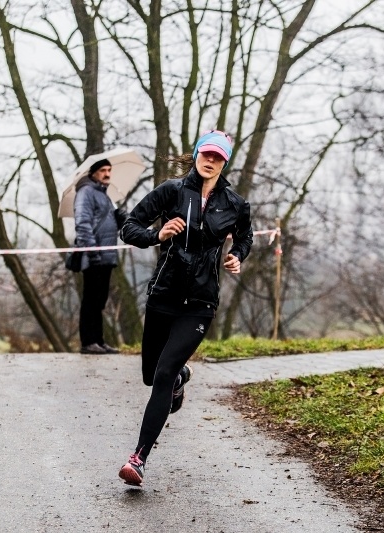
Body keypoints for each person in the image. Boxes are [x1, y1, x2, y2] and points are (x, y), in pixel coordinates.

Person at [116, 130, 253, 486]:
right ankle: (180, 377)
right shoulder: (171, 191)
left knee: (161, 375)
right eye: (206, 154)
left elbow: (245, 235)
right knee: (152, 375)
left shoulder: (235, 204)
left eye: (218, 157)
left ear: (225, 162)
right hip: (164, 296)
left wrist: (237, 255)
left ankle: (139, 458)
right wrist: (156, 236)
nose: (211, 161)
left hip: (200, 303)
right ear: (196, 155)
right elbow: (129, 228)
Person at [73, 158, 125, 355]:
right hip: (94, 255)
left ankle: (99, 341)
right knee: (91, 300)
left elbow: (106, 223)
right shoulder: (86, 192)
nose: (107, 174)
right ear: (93, 173)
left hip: (107, 256)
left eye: (109, 170)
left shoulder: (105, 196)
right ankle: (88, 342)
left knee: (100, 300)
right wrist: (91, 251)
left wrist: (120, 219)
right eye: (103, 170)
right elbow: (83, 223)